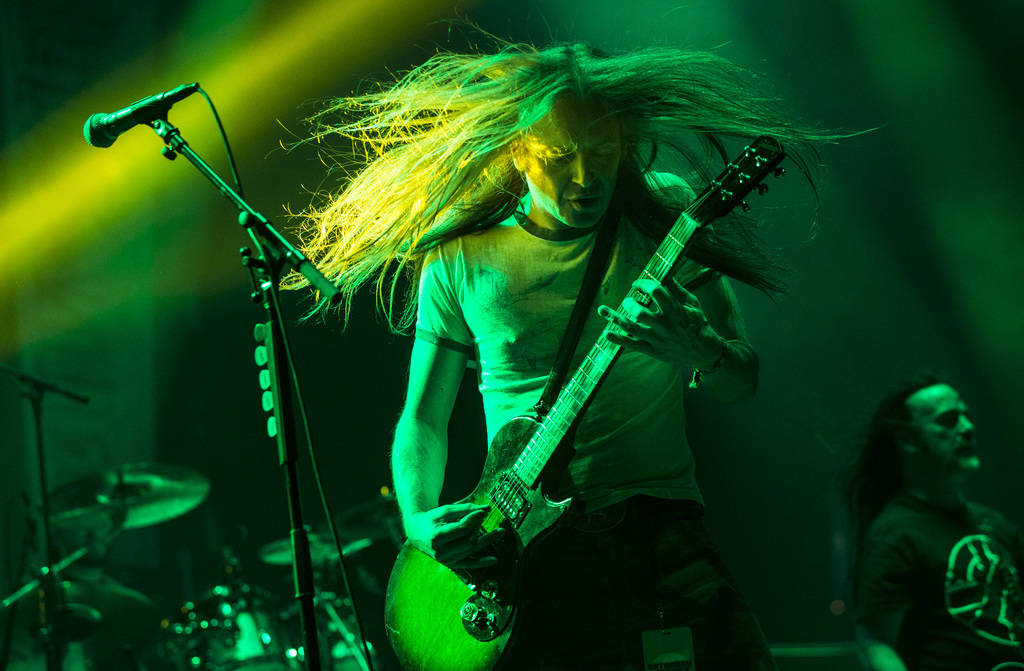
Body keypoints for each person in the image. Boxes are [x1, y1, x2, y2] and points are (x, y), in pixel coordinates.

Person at [289, 39, 827, 670]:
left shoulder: (663, 211)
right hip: (523, 554)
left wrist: (699, 347)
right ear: (517, 151)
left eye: (603, 154)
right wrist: (417, 522)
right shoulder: (462, 257)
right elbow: (423, 420)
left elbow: (743, 380)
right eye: (559, 157)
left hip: (660, 532)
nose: (585, 177)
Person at [847, 375, 1024, 671]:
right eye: (949, 420)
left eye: (966, 415)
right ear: (906, 440)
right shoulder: (895, 534)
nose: (967, 428)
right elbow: (877, 641)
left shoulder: (995, 524)